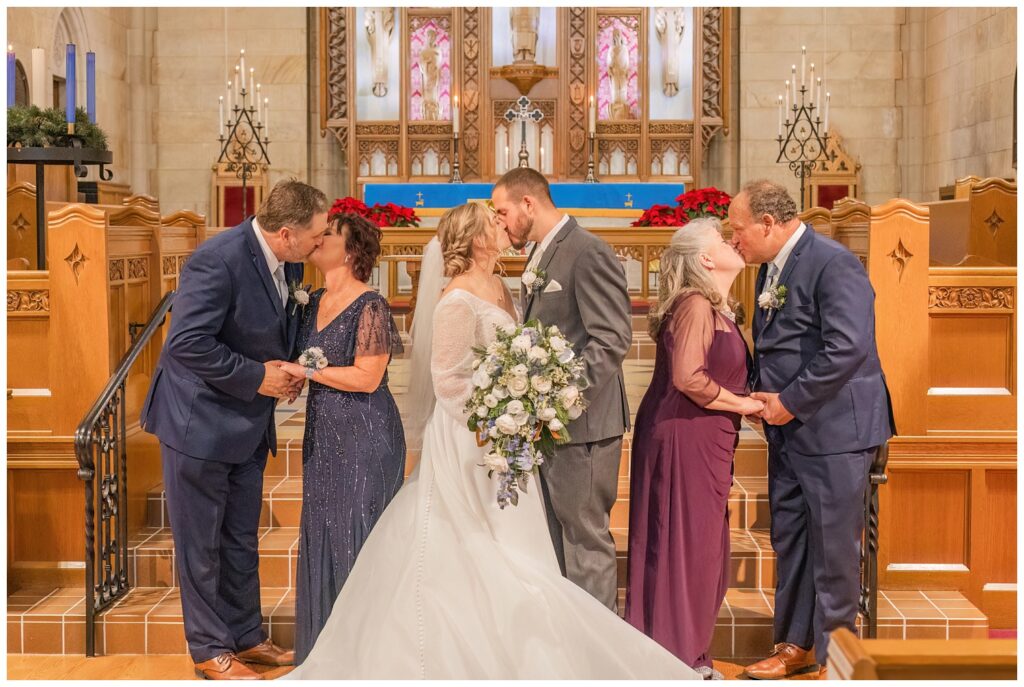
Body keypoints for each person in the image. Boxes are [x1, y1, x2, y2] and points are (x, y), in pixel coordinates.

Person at [285, 203, 699, 680]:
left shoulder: (503, 286)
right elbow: (449, 381)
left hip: (506, 437)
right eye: (494, 223)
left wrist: (523, 407)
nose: (504, 227)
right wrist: (502, 418)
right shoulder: (456, 298)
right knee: (472, 543)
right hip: (471, 439)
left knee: (516, 543)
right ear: (478, 239)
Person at [140, 180, 328, 680]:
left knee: (241, 539)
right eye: (316, 235)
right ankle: (208, 648)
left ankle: (246, 637)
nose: (321, 243)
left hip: (245, 423)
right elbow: (187, 343)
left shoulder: (286, 262)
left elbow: (260, 331)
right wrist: (259, 377)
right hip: (197, 424)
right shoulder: (217, 259)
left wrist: (284, 369)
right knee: (200, 545)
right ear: (286, 233)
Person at [728, 180, 894, 680]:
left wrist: (790, 402)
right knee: (794, 540)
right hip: (791, 430)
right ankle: (795, 645)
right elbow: (780, 341)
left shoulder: (833, 262)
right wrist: (759, 395)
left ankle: (838, 660)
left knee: (835, 549)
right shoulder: (768, 270)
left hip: (836, 431)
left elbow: (848, 346)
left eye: (739, 230)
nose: (734, 239)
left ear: (769, 224)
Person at [626, 218, 763, 678]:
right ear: (706, 259)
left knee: (703, 549)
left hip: (705, 436)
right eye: (721, 240)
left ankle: (689, 653)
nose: (732, 242)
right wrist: (744, 404)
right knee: (681, 546)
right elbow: (688, 378)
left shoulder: (719, 307)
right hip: (683, 434)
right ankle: (674, 658)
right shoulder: (694, 304)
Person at [491, 167, 632, 612]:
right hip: (554, 427)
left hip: (585, 426)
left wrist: (554, 397)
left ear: (528, 204)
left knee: (585, 542)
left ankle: (598, 660)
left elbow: (611, 340)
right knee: (558, 540)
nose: (500, 221)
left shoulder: (587, 252)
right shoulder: (543, 253)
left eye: (503, 211)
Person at [275, 213, 405, 665]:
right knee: (324, 530)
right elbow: (311, 364)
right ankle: (325, 651)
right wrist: (294, 378)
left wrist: (306, 371)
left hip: (366, 435)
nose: (319, 239)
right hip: (325, 432)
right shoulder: (313, 300)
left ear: (350, 252)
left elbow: (369, 378)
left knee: (357, 535)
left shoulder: (371, 305)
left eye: (329, 235)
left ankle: (364, 655)